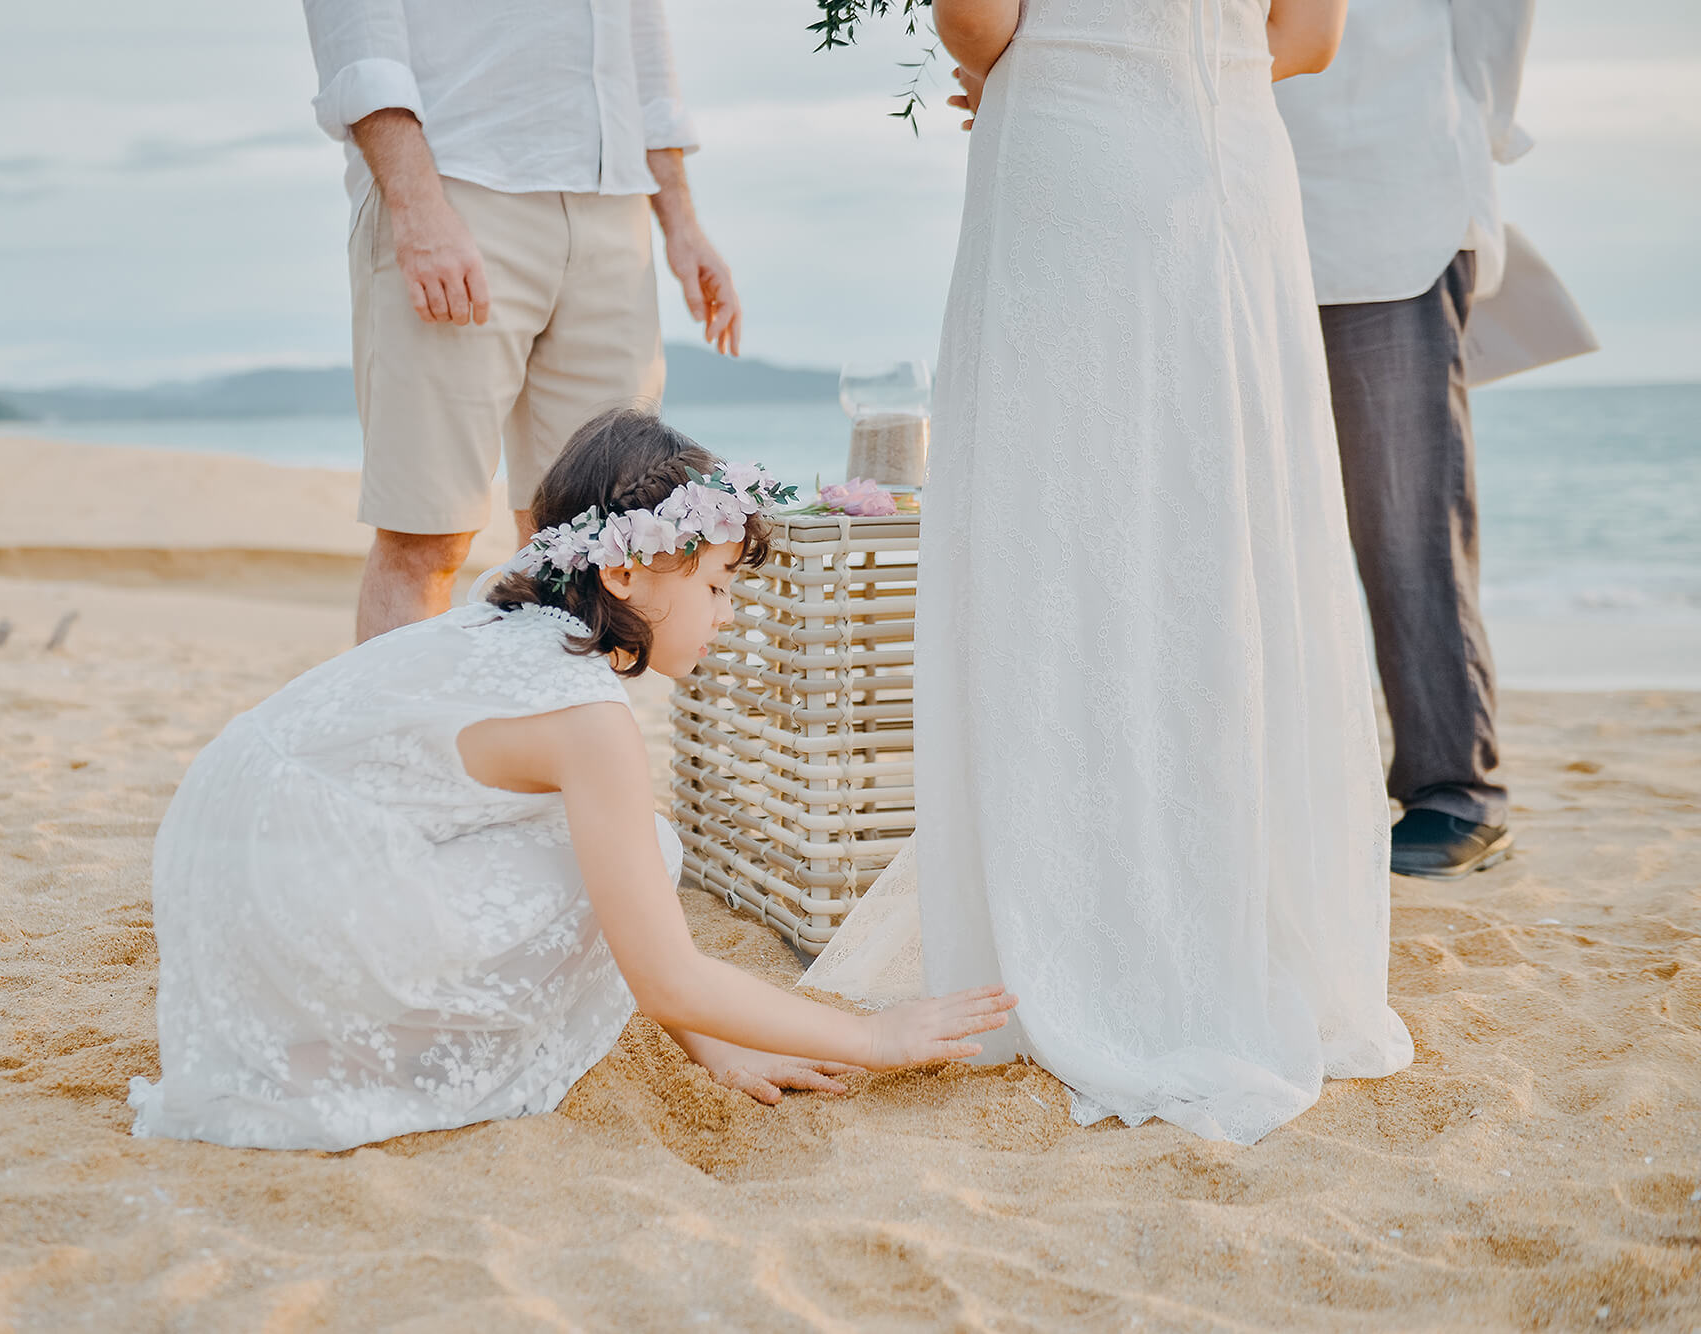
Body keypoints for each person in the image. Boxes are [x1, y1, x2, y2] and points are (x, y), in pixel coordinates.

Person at [804, 0, 1415, 1144]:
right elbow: (1313, 37)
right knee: (1220, 532)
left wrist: (1019, 66)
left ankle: (1089, 929)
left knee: (1072, 542)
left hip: (1077, 154)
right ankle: (1237, 929)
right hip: (1231, 161)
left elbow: (974, 16)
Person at [128, 410, 1014, 1150]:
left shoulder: (515, 611)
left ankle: (333, 1025)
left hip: (243, 862)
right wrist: (873, 1035)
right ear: (624, 569)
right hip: (284, 897)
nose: (727, 614)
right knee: (641, 846)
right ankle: (348, 1040)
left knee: (621, 847)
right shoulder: (590, 725)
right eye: (714, 585)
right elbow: (666, 974)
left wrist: (715, 1043)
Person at [300, 0, 745, 644]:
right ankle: (402, 744)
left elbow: (642, 36)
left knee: (596, 547)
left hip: (615, 202)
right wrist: (417, 203)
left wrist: (681, 222)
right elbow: (357, 23)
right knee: (427, 535)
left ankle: (557, 745)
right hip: (457, 178)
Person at [1273, 0, 1538, 880]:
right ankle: (1287, 779)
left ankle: (1454, 789)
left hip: (1390, 188)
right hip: (1233, 195)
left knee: (1403, 519)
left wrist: (1472, 134)